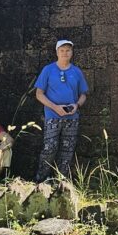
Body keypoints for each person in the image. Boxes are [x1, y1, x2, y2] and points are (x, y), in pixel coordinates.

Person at [34, 40, 89, 182]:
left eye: (68, 50)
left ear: (72, 53)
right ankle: (40, 180)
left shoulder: (76, 72)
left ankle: (60, 183)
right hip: (52, 115)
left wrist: (77, 105)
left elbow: (83, 94)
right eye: (62, 50)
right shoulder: (48, 70)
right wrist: (54, 107)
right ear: (57, 52)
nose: (65, 53)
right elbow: (39, 93)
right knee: (49, 149)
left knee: (67, 152)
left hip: (72, 117)